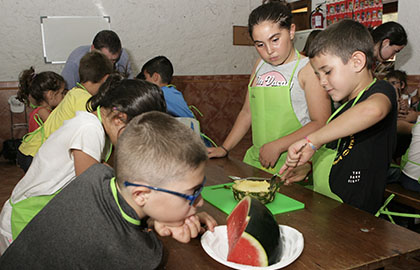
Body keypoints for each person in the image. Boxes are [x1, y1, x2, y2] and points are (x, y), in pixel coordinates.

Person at [0, 111, 217, 268]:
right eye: (191, 194)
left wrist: (156, 218)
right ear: (141, 194)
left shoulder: (96, 176)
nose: (200, 203)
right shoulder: (138, 255)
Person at [0, 76, 169, 253]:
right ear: (119, 118)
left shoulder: (95, 126)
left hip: (40, 215)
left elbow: (103, 171)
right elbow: (93, 192)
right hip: (25, 217)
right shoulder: (89, 129)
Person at [280, 19, 397, 214]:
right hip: (330, 208)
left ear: (357, 62)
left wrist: (312, 141)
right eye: (318, 75)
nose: (322, 82)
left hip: (358, 215)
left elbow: (373, 111)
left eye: (327, 72)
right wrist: (308, 169)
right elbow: (338, 155)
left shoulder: (381, 91)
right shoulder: (341, 109)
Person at [208, 0, 331, 174]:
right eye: (260, 44)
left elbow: (321, 122)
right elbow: (247, 112)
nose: (269, 51)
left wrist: (278, 146)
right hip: (257, 160)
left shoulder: (307, 70)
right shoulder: (259, 65)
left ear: (291, 31)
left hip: (294, 164)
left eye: (275, 40)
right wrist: (225, 148)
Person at [17, 51, 113, 172]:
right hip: (36, 153)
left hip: (30, 150)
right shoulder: (85, 102)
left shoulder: (75, 92)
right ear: (106, 79)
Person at [61, 30, 132, 89]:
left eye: (113, 60)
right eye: (105, 59)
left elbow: (130, 87)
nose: (109, 65)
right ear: (93, 49)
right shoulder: (75, 62)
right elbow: (66, 93)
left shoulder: (122, 56)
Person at [16, 67, 66, 133]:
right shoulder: (43, 112)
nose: (64, 96)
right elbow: (57, 130)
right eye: (62, 93)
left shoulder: (42, 110)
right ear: (50, 94)